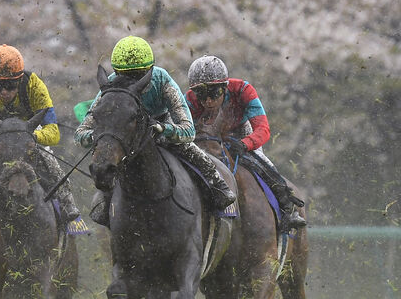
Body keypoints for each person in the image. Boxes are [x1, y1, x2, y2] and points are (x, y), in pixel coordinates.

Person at [75, 35, 236, 227]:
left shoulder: (162, 79)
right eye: (125, 76)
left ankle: (218, 185)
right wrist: (99, 138)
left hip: (159, 127)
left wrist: (163, 129)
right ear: (116, 73)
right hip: (128, 135)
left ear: (149, 71)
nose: (132, 82)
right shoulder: (110, 85)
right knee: (106, 160)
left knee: (192, 150)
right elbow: (81, 133)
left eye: (139, 75)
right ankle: (105, 200)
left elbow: (188, 131)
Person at [0, 44, 81, 223]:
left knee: (50, 161)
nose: (4, 92)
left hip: (29, 131)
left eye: (10, 86)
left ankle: (67, 201)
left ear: (20, 79)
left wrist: (32, 138)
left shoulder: (35, 85)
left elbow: (53, 133)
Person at [185, 55, 307, 229]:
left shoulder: (243, 90)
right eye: (201, 95)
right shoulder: (189, 99)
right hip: (205, 139)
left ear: (225, 88)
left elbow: (263, 129)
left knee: (264, 165)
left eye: (214, 93)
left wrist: (245, 144)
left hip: (241, 135)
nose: (208, 101)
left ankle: (288, 209)